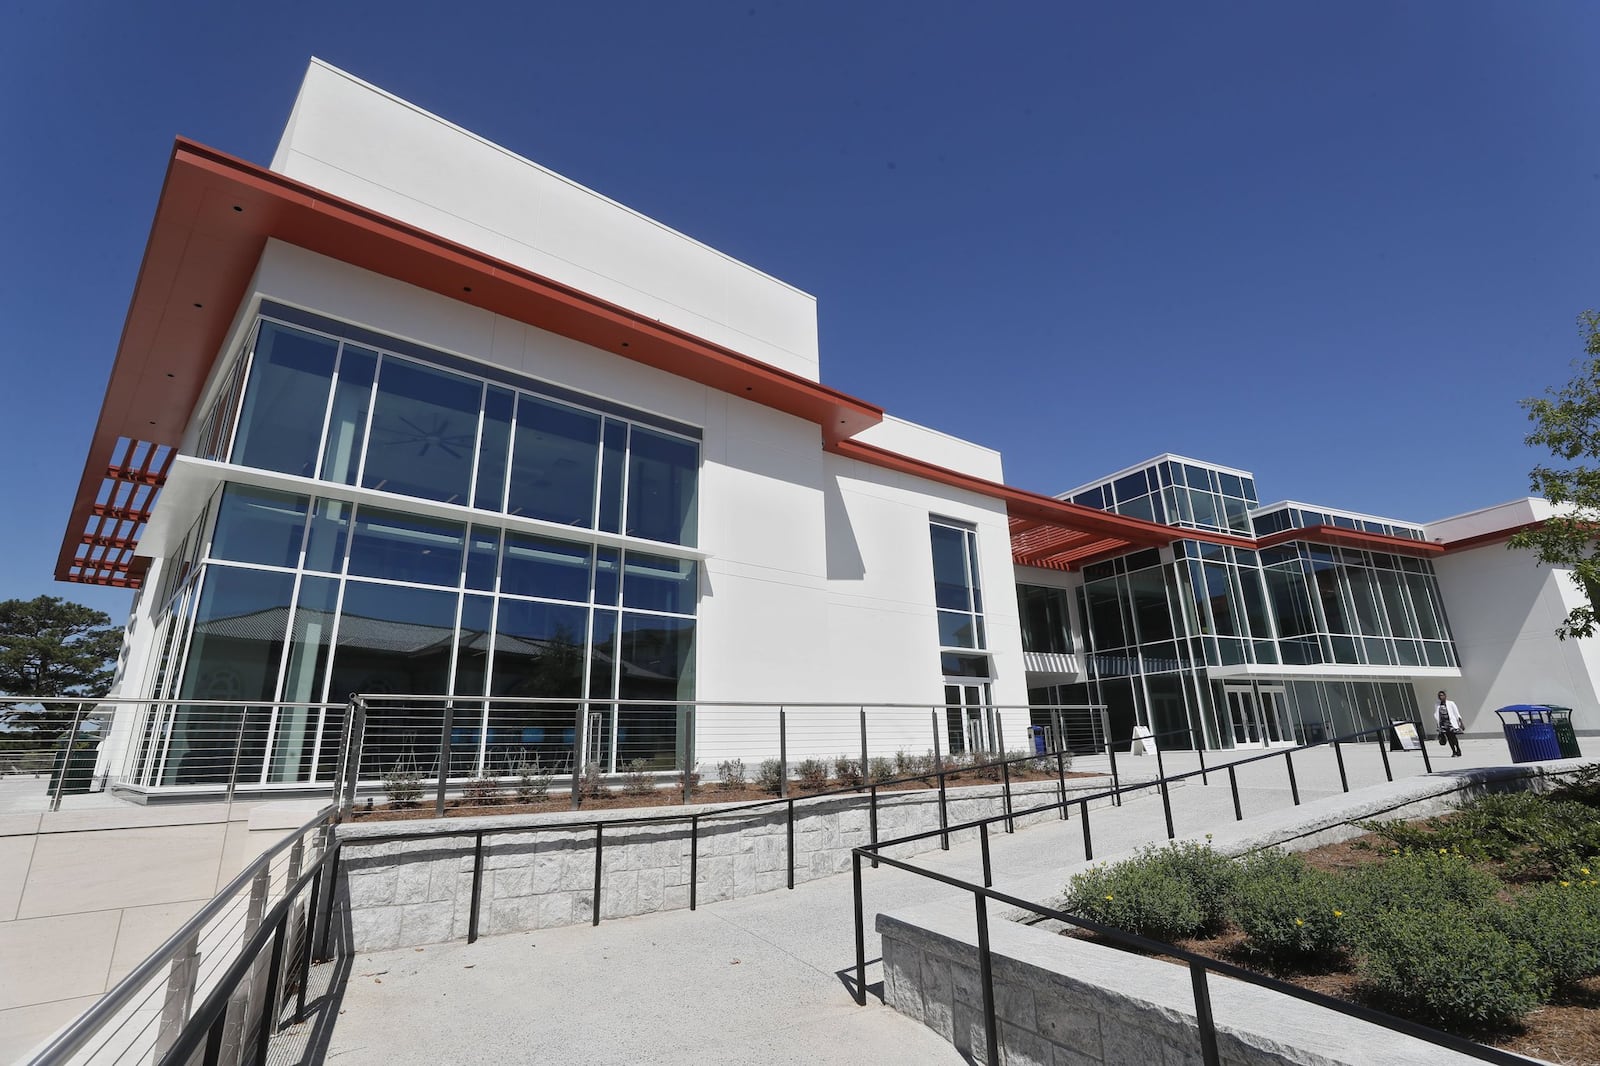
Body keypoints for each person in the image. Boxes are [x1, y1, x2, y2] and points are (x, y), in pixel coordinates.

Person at [1435, 690, 1463, 757]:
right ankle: (1453, 751)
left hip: (1451, 723)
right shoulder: (1437, 705)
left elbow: (1457, 713)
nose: (1440, 697)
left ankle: (1458, 749)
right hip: (1443, 724)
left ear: (1445, 696)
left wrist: (1461, 723)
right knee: (1449, 738)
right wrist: (1438, 725)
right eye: (1439, 696)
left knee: (1453, 737)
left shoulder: (1451, 703)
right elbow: (1436, 715)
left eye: (1442, 695)